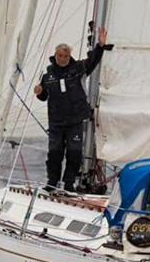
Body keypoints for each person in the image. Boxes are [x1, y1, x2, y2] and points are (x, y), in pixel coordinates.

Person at [33, 28, 112, 192]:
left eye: (66, 56)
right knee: (54, 153)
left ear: (69, 56)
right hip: (56, 122)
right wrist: (39, 93)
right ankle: (52, 183)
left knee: (74, 153)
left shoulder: (78, 68)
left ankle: (69, 184)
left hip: (75, 120)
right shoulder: (47, 76)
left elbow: (93, 61)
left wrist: (100, 46)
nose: (62, 59)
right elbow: (44, 96)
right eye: (60, 56)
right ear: (55, 56)